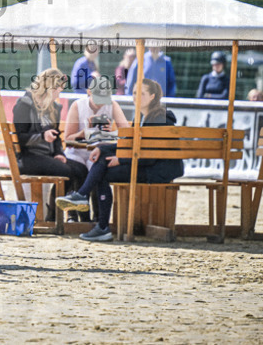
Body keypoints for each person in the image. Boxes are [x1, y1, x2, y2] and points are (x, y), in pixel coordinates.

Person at [55, 78, 184, 241]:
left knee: (103, 168)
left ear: (152, 96)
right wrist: (102, 148)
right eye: (135, 93)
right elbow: (133, 144)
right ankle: (93, 214)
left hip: (158, 171)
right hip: (149, 165)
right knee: (102, 159)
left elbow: (149, 156)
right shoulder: (148, 116)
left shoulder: (161, 118)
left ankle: (96, 218)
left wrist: (121, 159)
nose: (136, 97)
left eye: (141, 94)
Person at [13, 68, 88, 217]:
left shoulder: (54, 108)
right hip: (28, 156)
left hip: (46, 156)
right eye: (56, 90)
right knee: (66, 171)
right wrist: (42, 136)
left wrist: (59, 153)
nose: (58, 94)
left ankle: (79, 217)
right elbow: (19, 137)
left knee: (81, 170)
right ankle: (53, 215)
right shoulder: (24, 104)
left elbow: (56, 136)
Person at [60, 75, 129, 222]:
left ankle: (97, 218)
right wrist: (85, 131)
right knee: (79, 170)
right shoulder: (78, 105)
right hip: (77, 151)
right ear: (89, 92)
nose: (100, 105)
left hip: (98, 152)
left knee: (98, 171)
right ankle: (76, 215)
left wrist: (112, 130)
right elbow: (68, 139)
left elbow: (127, 133)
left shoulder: (112, 105)